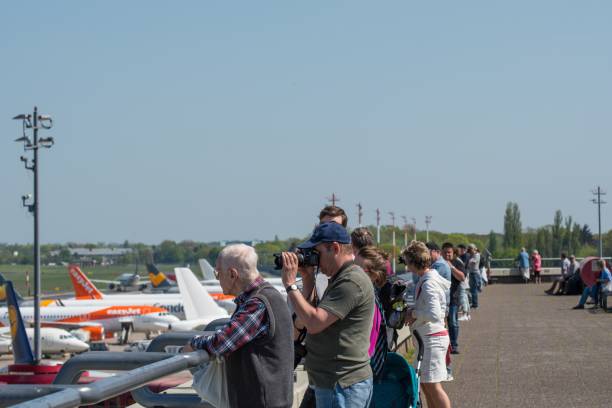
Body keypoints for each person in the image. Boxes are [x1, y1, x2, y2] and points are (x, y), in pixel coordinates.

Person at [184, 244, 294, 408]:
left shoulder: (258, 303)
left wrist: (193, 343)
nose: (217, 278)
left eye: (217, 273)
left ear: (232, 274)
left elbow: (222, 343)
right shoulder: (267, 296)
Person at [281, 222, 375, 407]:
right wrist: (308, 278)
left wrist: (290, 285)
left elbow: (315, 323)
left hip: (342, 384)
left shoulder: (351, 281)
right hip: (336, 382)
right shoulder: (340, 277)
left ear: (335, 248)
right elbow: (310, 316)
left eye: (318, 253)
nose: (315, 259)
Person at [402, 241, 451, 408]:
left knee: (432, 385)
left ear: (414, 261)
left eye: (407, 261)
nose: (406, 266)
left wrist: (413, 313)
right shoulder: (428, 279)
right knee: (425, 383)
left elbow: (435, 314)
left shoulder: (428, 283)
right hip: (428, 339)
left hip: (432, 340)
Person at [354, 246, 389, 382]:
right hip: (368, 368)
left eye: (357, 269)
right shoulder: (372, 294)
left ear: (374, 274)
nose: (351, 272)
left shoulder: (367, 299)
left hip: (363, 370)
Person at [442, 242, 466, 355]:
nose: (447, 255)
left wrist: (451, 267)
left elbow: (462, 277)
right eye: (445, 252)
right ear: (441, 252)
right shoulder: (439, 264)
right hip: (441, 299)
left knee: (453, 322)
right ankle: (445, 345)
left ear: (453, 253)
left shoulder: (457, 262)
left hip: (453, 298)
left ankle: (454, 345)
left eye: (449, 252)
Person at [466, 244, 481, 308]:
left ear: (474, 249)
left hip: (475, 274)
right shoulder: (471, 255)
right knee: (472, 289)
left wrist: (470, 257)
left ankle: (475, 304)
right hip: (471, 273)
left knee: (474, 289)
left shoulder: (476, 255)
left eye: (470, 249)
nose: (469, 250)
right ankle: (473, 303)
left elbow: (471, 262)